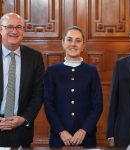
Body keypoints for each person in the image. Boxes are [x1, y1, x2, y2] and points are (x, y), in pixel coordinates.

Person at [44, 26, 103, 147]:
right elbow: (48, 104)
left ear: (83, 45)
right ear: (63, 43)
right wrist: (61, 130)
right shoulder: (52, 71)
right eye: (69, 40)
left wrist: (84, 130)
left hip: (86, 137)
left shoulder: (91, 71)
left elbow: (97, 105)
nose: (73, 44)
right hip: (59, 137)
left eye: (78, 40)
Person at [0, 13, 44, 146]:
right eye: (9, 27)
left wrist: (24, 118)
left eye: (19, 27)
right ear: (1, 29)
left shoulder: (35, 57)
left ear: (23, 31)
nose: (14, 31)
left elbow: (39, 93)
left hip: (21, 129)